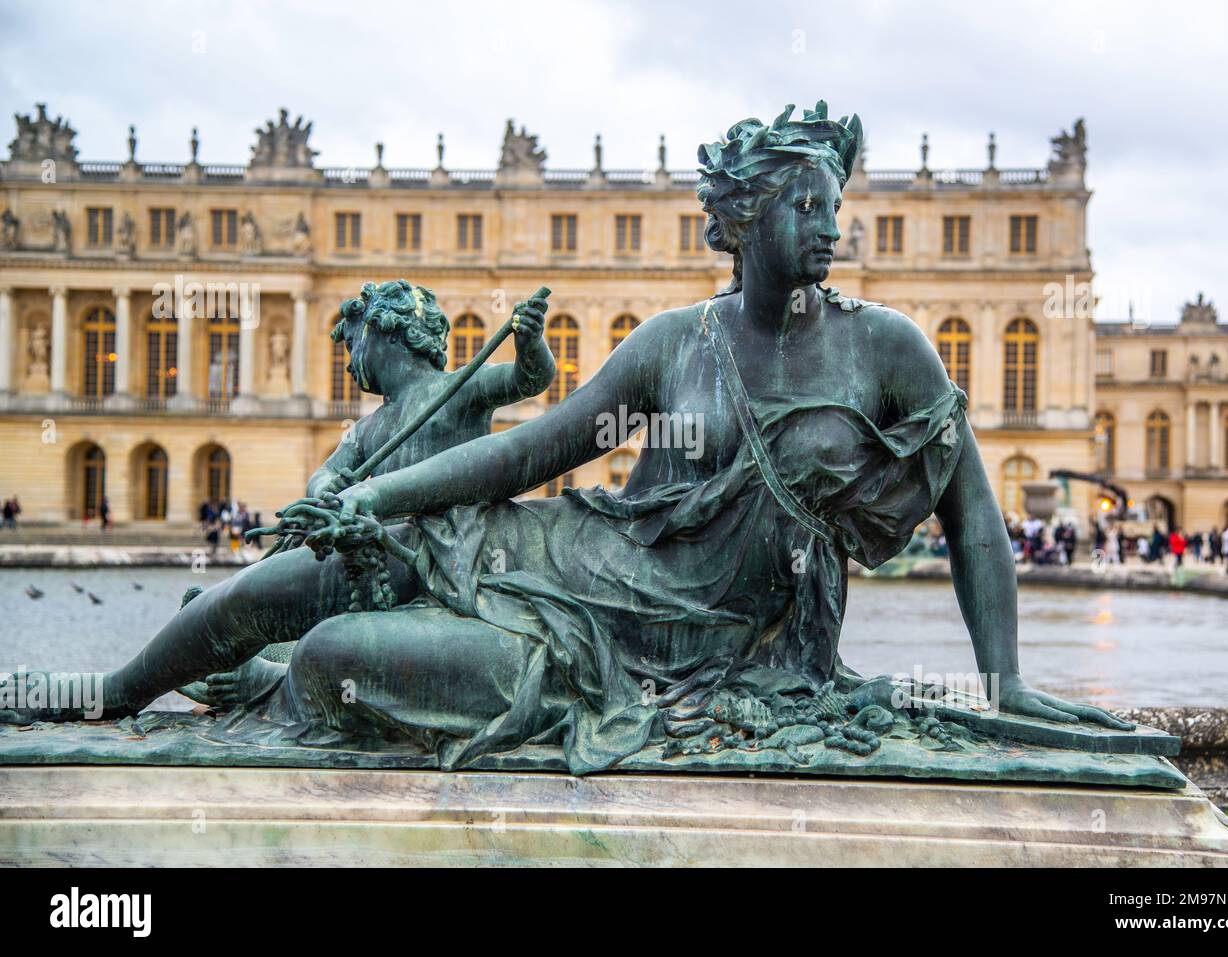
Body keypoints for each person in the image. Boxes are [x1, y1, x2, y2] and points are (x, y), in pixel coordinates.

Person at [3, 103, 1130, 770]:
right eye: (806, 201)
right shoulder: (669, 343)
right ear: (741, 220)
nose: (834, 223)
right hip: (576, 562)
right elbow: (522, 455)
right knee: (305, 575)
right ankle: (100, 695)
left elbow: (973, 514)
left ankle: (253, 684)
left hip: (674, 651)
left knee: (333, 655)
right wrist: (378, 502)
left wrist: (1002, 683)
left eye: (840, 201)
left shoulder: (886, 348)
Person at [182, 277, 555, 708]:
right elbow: (323, 475)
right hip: (374, 562)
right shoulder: (367, 429)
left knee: (326, 620)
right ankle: (222, 636)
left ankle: (266, 677)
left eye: (353, 344)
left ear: (384, 334)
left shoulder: (459, 389)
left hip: (435, 561)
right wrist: (327, 491)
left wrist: (531, 343)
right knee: (279, 580)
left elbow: (529, 380)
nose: (348, 363)